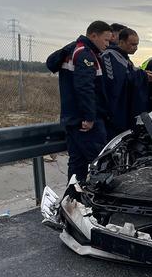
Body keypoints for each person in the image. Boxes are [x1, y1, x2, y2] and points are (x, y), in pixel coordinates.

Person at [45, 20, 112, 183]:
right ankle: (100, 204)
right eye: (106, 40)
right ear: (93, 35)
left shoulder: (74, 50)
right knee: (100, 163)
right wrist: (89, 117)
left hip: (73, 119)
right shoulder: (85, 54)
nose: (108, 44)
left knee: (77, 164)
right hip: (85, 122)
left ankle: (73, 200)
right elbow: (84, 88)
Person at [101, 25, 152, 138]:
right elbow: (116, 80)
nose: (135, 48)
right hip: (116, 112)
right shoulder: (109, 55)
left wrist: (144, 75)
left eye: (137, 44)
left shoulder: (124, 57)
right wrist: (142, 76)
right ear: (121, 42)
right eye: (132, 44)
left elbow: (131, 72)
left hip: (128, 111)